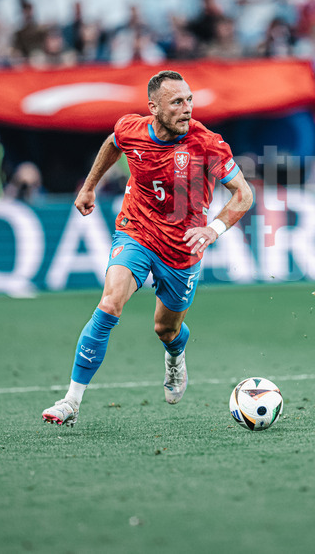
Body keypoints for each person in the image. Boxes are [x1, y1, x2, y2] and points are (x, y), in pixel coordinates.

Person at [41, 70, 254, 426]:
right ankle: (71, 401)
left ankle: (175, 356)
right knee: (110, 303)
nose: (187, 109)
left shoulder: (206, 143)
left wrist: (213, 229)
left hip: (182, 247)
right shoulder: (132, 129)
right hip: (136, 230)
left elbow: (244, 194)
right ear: (153, 107)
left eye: (189, 100)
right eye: (177, 102)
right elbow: (112, 143)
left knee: (165, 330)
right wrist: (90, 186)